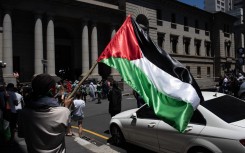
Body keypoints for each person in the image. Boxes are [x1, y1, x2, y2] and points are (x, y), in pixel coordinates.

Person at [18, 74, 73, 153]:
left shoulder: (23, 113)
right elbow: (68, 132)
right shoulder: (64, 112)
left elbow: (21, 134)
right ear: (52, 90)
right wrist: (66, 107)